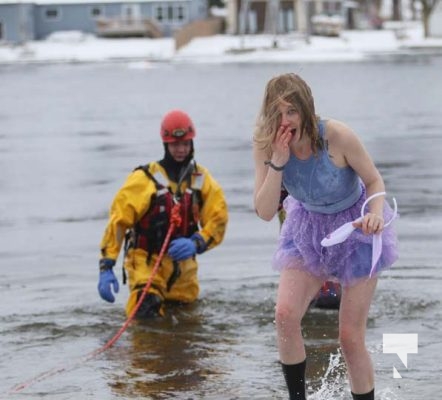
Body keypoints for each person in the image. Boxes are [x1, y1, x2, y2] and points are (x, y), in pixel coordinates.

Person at [253, 73, 398, 400]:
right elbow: (263, 211)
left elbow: (374, 182)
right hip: (307, 228)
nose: (285, 121)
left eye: (291, 111)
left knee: (349, 337)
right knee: (285, 316)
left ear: (306, 109)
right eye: (277, 114)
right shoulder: (266, 143)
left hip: (356, 226)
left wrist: (375, 215)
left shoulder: (337, 136)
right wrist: (277, 162)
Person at [98, 109, 228, 319]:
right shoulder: (144, 179)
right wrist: (107, 264)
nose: (181, 150)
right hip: (147, 265)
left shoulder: (201, 180)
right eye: (175, 145)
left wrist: (196, 243)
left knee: (187, 327)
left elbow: (218, 219)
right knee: (145, 318)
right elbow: (119, 222)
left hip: (184, 271)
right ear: (166, 144)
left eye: (185, 144)